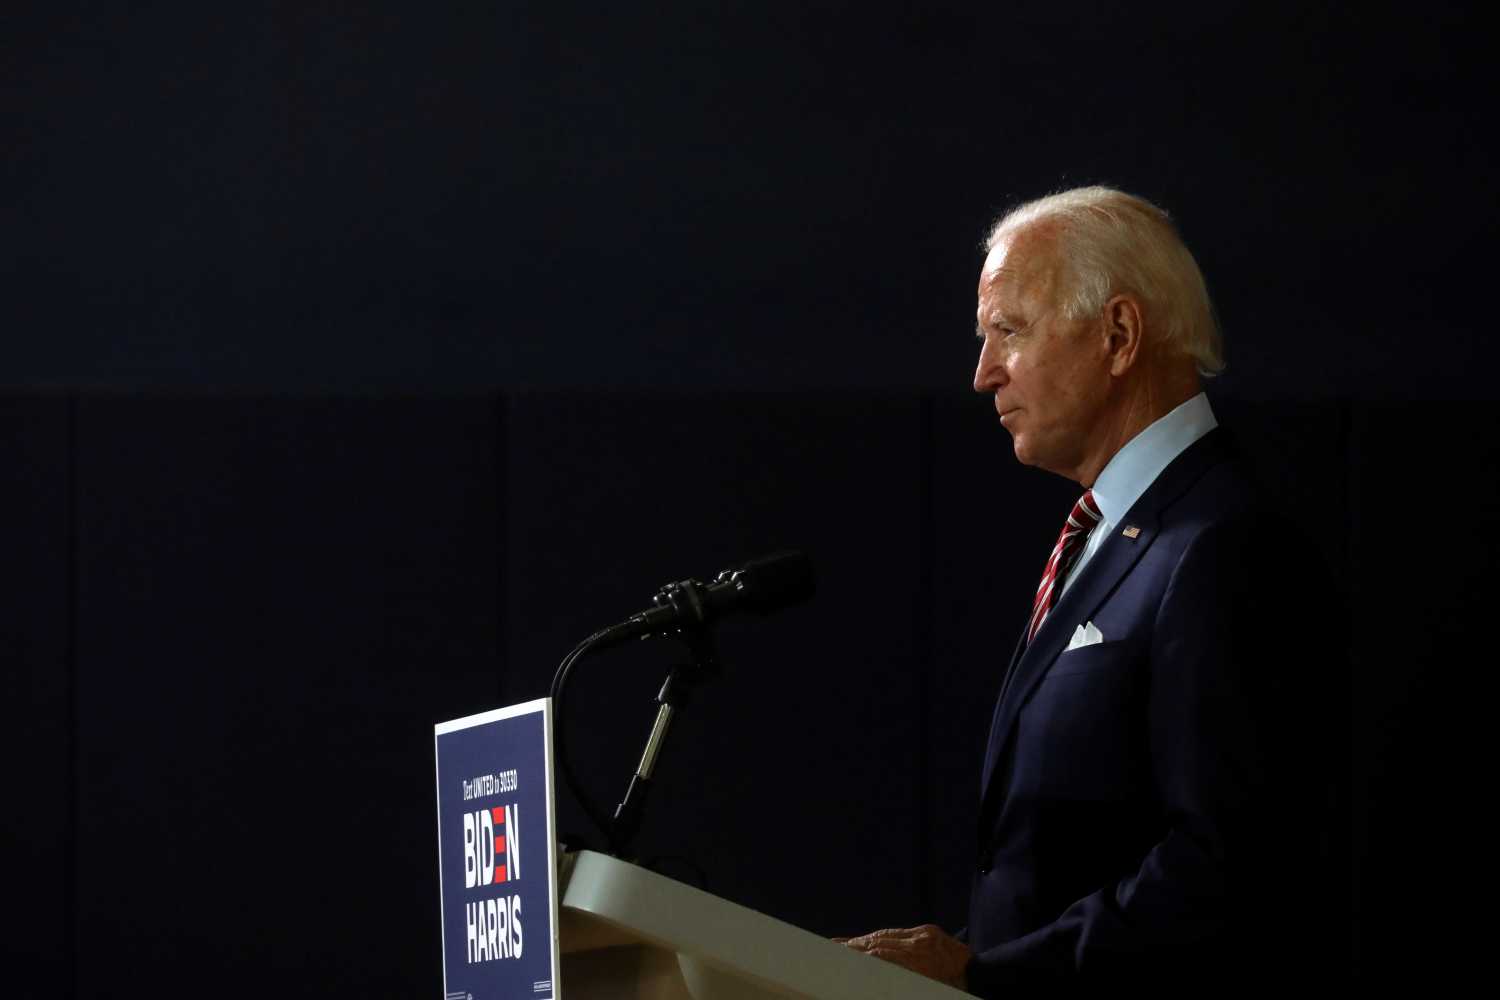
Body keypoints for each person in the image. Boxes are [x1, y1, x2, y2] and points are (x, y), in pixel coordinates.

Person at [839, 186, 1336, 989]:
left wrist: (990, 976)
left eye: (1009, 331)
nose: (982, 373)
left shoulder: (1223, 546)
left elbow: (1224, 869)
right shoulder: (1108, 531)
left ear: (1119, 334)